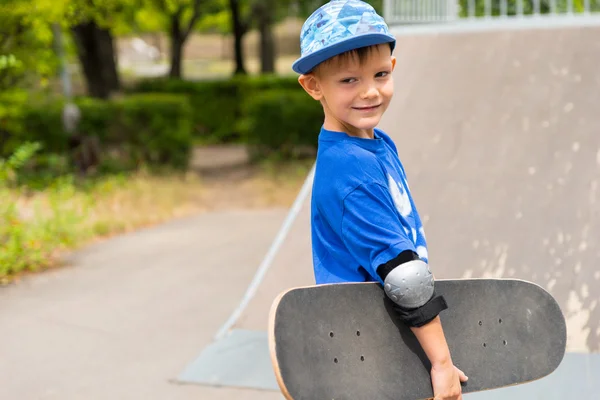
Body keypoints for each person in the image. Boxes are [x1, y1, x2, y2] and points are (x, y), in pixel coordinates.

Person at [292, 1, 468, 399]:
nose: (370, 91)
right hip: (366, 345)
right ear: (313, 85)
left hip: (387, 336)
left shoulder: (374, 143)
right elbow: (403, 274)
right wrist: (441, 362)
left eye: (380, 74)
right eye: (348, 80)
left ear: (393, 65)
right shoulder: (351, 170)